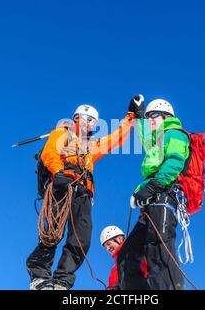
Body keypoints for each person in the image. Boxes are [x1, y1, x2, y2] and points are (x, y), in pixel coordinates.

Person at [26, 95, 145, 290]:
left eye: (94, 121)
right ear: (76, 118)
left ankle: (61, 281)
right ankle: (39, 275)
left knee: (82, 238)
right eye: (87, 119)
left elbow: (115, 139)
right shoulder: (62, 134)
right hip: (62, 187)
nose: (90, 124)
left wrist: (131, 116)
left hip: (83, 194)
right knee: (52, 234)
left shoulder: (90, 147)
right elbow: (50, 153)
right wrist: (58, 172)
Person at [117, 98, 189, 290]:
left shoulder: (174, 134)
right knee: (127, 256)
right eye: (148, 116)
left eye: (153, 115)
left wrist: (152, 187)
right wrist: (140, 114)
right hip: (152, 198)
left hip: (164, 194)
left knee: (158, 248)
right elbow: (146, 138)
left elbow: (175, 162)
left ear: (167, 116)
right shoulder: (157, 139)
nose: (150, 119)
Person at [100, 225, 147, 290]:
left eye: (108, 244)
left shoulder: (134, 251)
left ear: (119, 239)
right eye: (105, 247)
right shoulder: (114, 268)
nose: (107, 249)